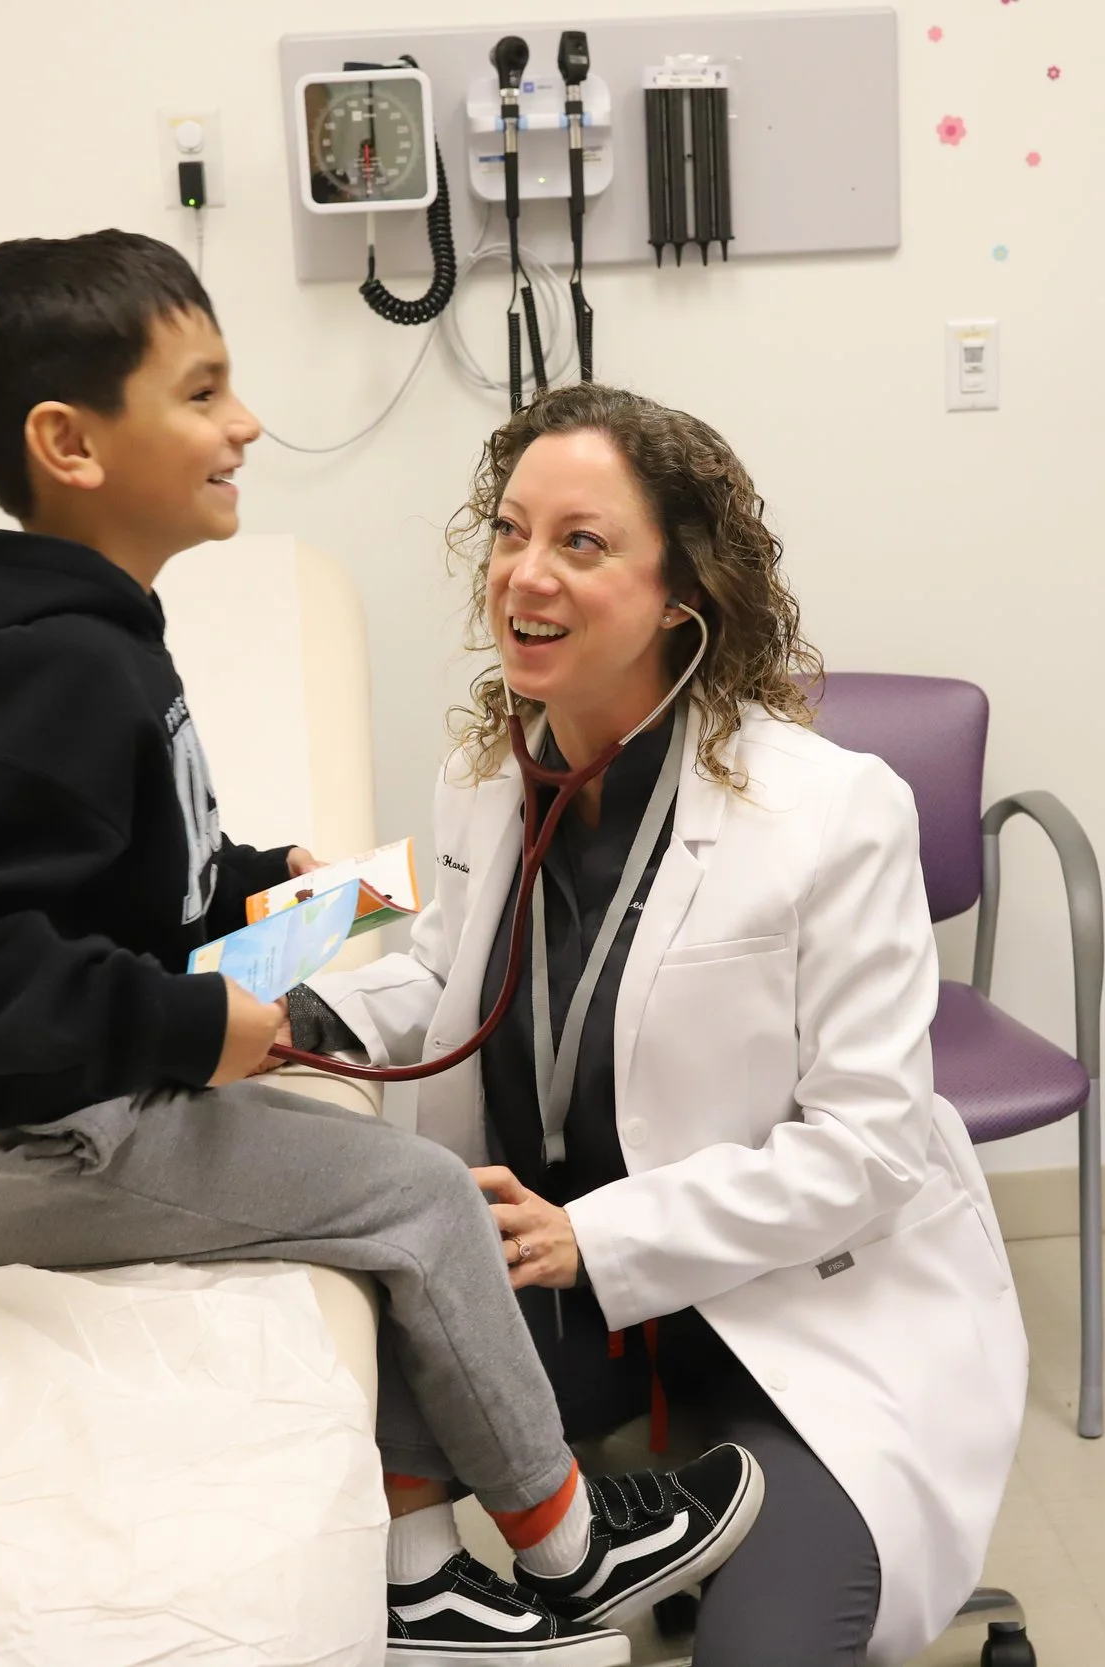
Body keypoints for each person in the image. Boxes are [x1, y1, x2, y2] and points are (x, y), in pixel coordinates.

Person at [0, 231, 764, 1665]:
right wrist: (196, 1027)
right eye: (200, 393)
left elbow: (101, 870)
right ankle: (571, 1547)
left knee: (366, 921)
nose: (245, 421)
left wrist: (277, 888)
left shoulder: (73, 627)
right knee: (423, 1197)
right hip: (22, 1140)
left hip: (9, 1110)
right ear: (69, 443)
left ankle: (427, 1573)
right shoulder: (66, 664)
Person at [291, 383, 1028, 1667]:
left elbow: (865, 1151)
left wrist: (592, 1232)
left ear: (682, 592)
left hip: (796, 1308)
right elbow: (436, 967)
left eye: (582, 541)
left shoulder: (835, 811)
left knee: (763, 1649)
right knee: (328, 1538)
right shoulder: (486, 775)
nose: (526, 572)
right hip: (560, 1300)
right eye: (512, 531)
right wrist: (280, 1005)